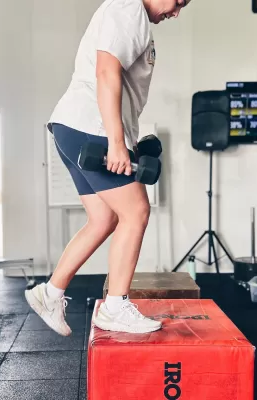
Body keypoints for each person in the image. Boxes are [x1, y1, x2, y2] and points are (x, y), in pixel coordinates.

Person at [25, 0, 191, 336]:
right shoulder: (129, 9)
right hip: (92, 128)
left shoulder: (131, 15)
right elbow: (106, 71)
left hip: (72, 128)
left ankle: (51, 293)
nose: (176, 12)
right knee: (137, 212)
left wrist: (125, 137)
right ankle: (115, 307)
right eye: (178, 1)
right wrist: (116, 142)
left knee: (104, 218)